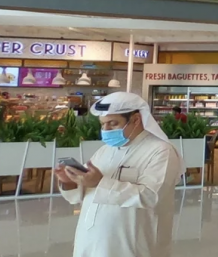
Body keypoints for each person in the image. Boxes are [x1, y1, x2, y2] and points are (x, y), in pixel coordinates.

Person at [54, 92, 183, 257]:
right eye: (102, 125)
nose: (105, 130)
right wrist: (69, 182)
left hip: (131, 243)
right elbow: (84, 193)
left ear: (136, 119)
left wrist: (99, 182)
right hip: (91, 240)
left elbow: (151, 197)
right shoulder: (105, 150)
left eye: (113, 123)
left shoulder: (161, 151)